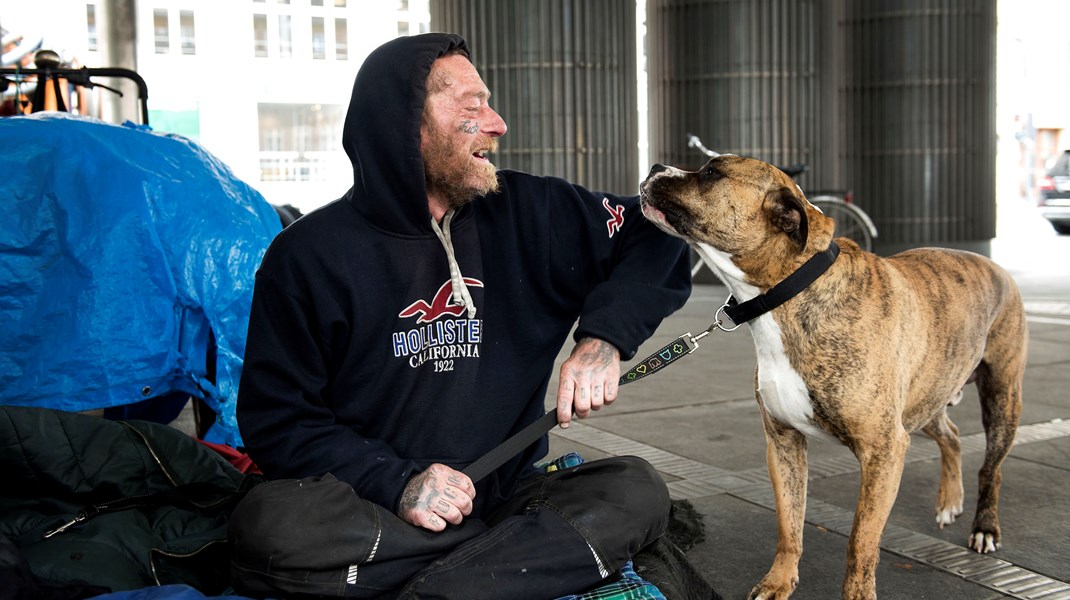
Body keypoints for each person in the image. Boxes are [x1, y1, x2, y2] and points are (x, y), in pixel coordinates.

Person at [235, 32, 692, 599]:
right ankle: (502, 569)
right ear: (405, 124)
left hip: (505, 493)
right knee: (272, 526)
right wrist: (398, 483)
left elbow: (659, 232)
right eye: (472, 106)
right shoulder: (308, 255)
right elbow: (278, 422)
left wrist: (604, 339)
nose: (498, 123)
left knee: (634, 489)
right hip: (374, 502)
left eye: (490, 103)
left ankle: (432, 586)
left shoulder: (533, 211)